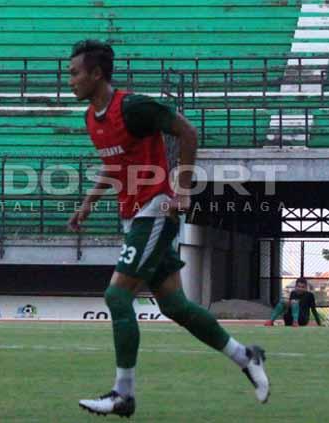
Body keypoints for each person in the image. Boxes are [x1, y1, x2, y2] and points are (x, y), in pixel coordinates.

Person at [67, 40, 269, 417]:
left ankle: (122, 394)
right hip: (133, 216)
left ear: (96, 74)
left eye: (76, 73)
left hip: (156, 210)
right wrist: (88, 203)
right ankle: (246, 356)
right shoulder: (92, 119)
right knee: (175, 305)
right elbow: (115, 165)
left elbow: (187, 132)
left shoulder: (134, 106)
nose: (71, 81)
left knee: (116, 296)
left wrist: (182, 189)